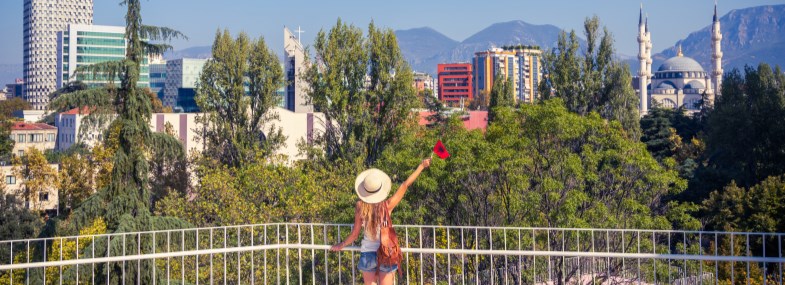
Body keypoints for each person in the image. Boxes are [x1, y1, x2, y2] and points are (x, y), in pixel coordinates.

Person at [330, 158, 432, 285]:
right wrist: (421, 166)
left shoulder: (360, 206)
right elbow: (405, 185)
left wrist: (341, 244)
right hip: (386, 253)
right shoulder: (387, 206)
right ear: (380, 190)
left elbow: (355, 234)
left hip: (367, 253)